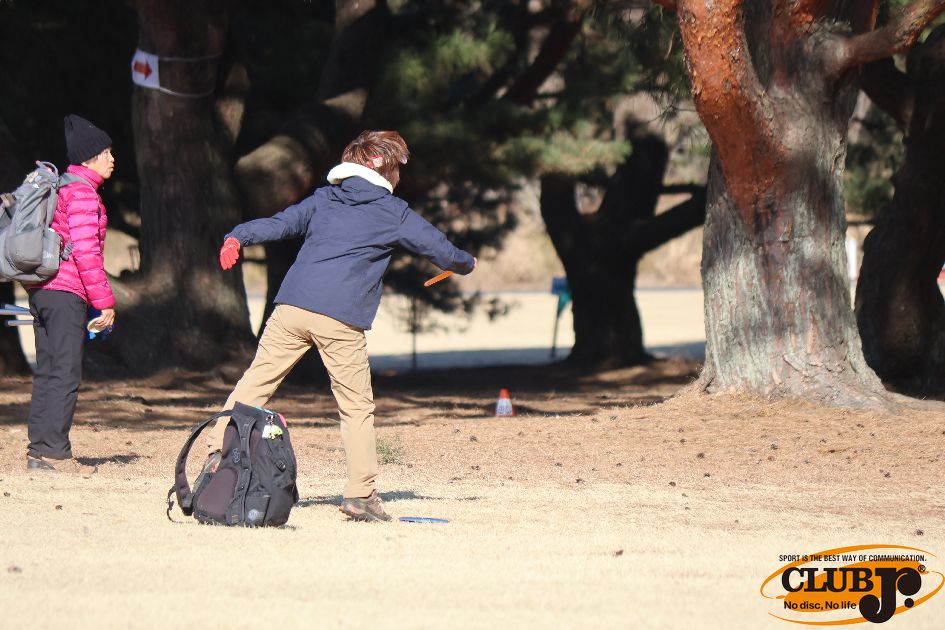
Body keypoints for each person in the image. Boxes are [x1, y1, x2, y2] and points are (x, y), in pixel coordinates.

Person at [207, 130, 476, 521]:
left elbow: (280, 224)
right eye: (398, 168)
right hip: (339, 318)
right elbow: (442, 251)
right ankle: (361, 495)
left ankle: (217, 456)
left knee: (254, 385)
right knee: (356, 408)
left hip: (292, 307)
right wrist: (465, 263)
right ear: (382, 167)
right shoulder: (392, 211)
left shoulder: (324, 199)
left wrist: (238, 236)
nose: (400, 175)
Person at [25, 114, 116, 475]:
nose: (112, 159)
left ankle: (39, 450)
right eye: (107, 153)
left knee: (48, 371)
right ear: (90, 157)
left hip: (42, 290)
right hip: (65, 293)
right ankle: (54, 454)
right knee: (65, 373)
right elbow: (86, 253)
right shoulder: (81, 194)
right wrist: (104, 302)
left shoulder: (63, 188)